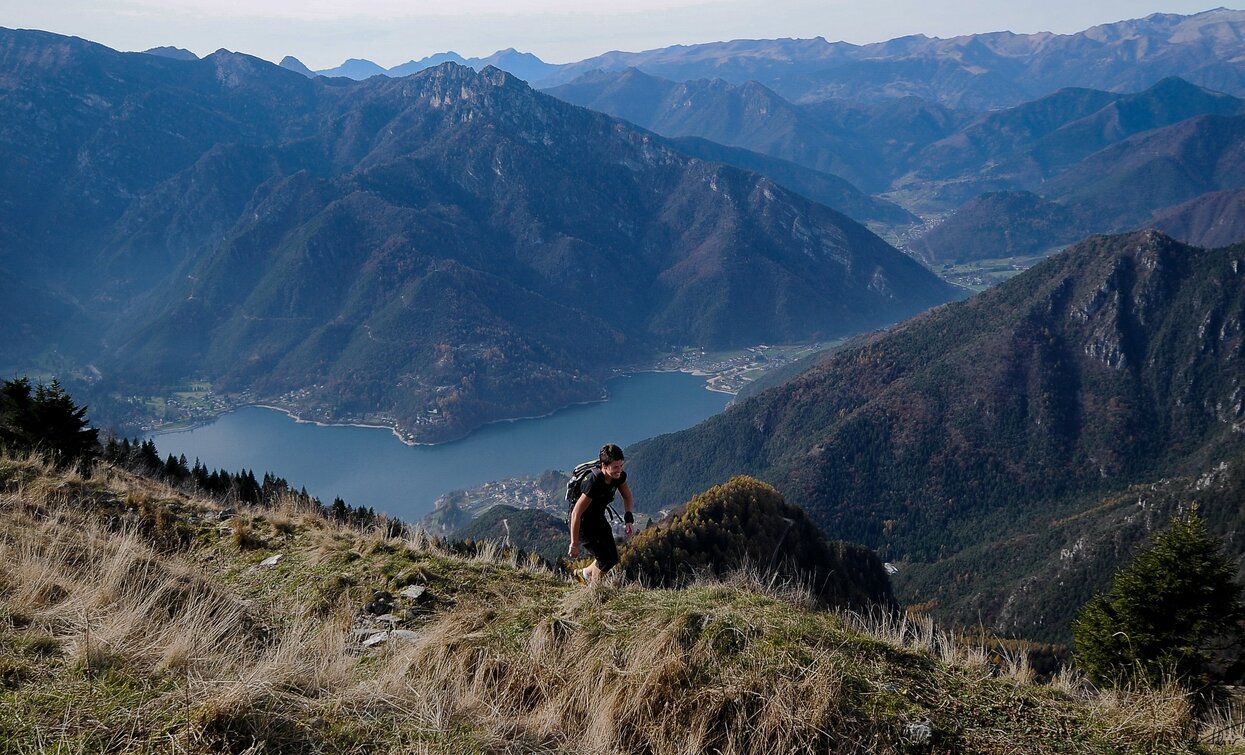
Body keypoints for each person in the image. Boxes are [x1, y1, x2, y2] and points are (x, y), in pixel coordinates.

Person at [568, 443, 635, 584]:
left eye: (621, 465)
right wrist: (574, 543)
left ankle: (583, 574)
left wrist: (629, 518)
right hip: (583, 524)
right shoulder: (594, 482)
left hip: (598, 518)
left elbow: (627, 496)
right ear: (604, 466)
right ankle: (595, 591)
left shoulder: (619, 477)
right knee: (605, 560)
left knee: (612, 558)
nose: (619, 470)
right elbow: (576, 513)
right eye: (615, 467)